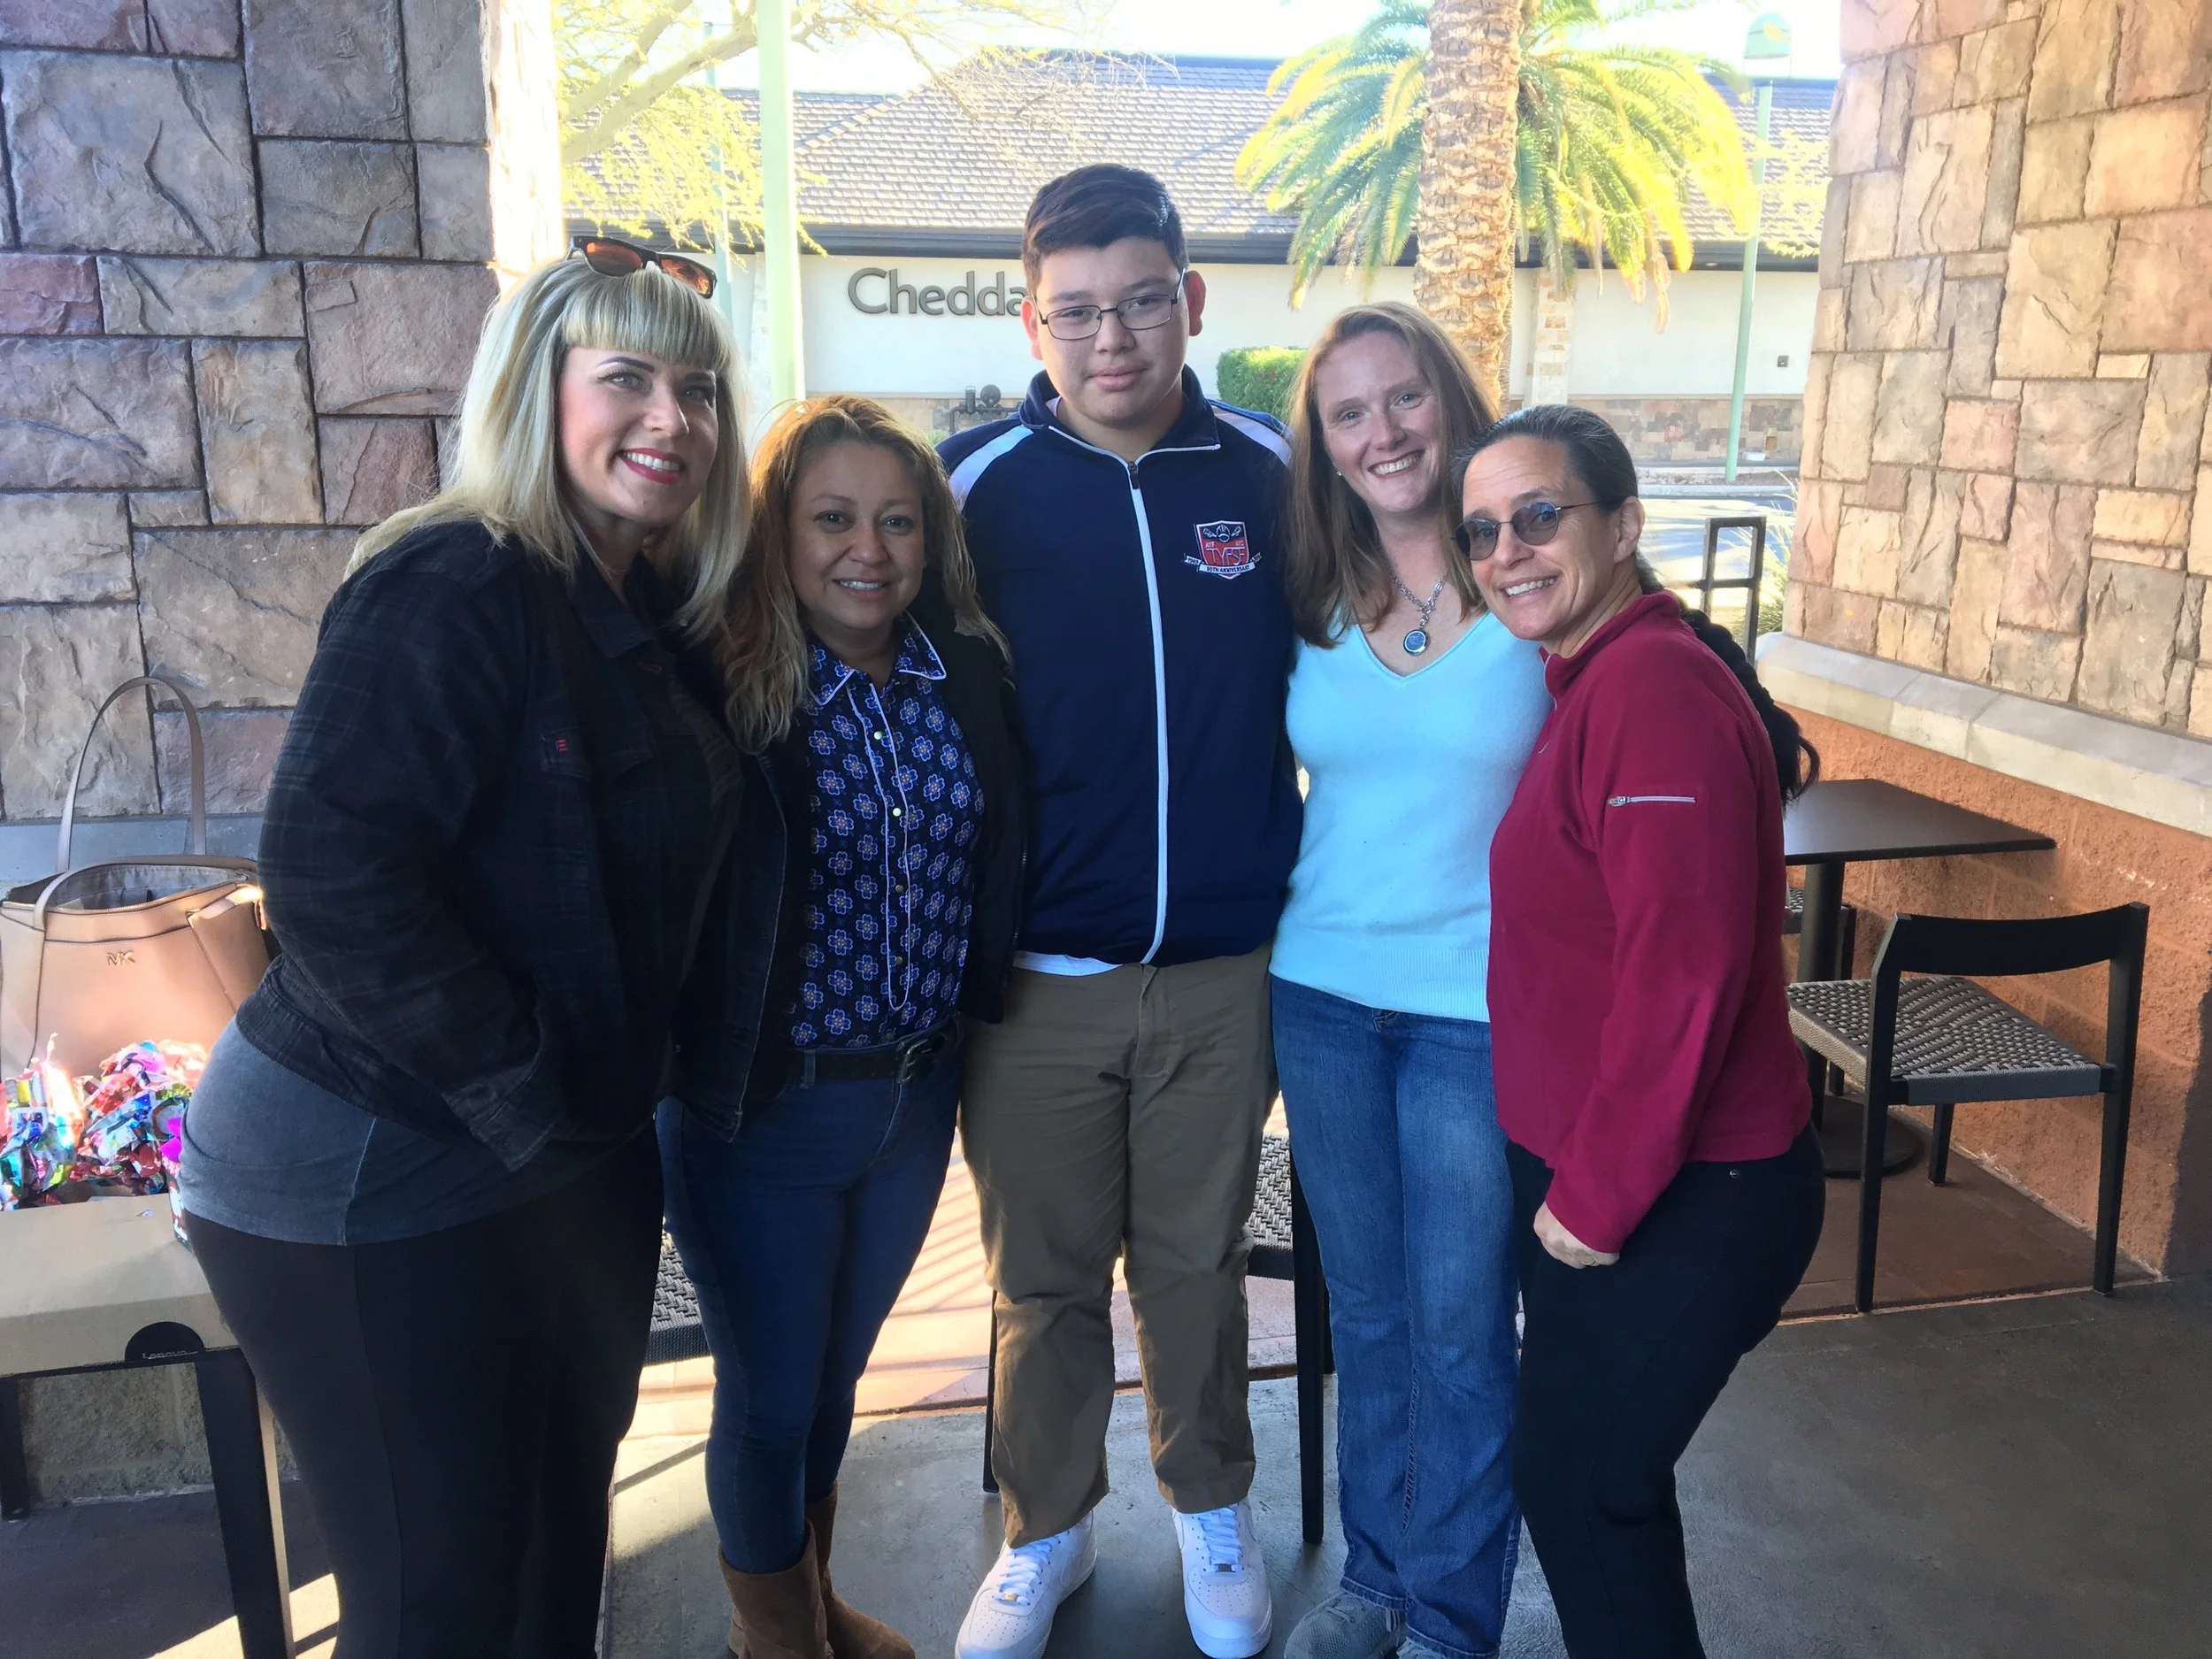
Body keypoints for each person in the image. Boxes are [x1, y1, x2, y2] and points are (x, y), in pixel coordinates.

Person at [176, 242, 775, 1657]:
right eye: (624, 378)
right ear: (536, 391)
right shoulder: (457, 578)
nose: (671, 419)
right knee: (441, 1592)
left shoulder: (645, 600)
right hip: (365, 1153)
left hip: (555, 1146)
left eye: (696, 388)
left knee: (557, 1555)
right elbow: (331, 870)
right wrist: (529, 1095)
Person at [939, 163, 1301, 1659]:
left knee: (1197, 1267)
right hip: (1037, 982)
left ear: (1189, 304)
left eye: (1141, 303)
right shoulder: (971, 487)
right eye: (1077, 312)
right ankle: (1048, 1527)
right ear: (1036, 316)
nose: (1112, 341)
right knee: (1042, 1280)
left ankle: (1211, 1505)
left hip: (1226, 969)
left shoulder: (1276, 473)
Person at [658, 395, 1025, 1659]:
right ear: (779, 530)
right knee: (767, 1400)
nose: (867, 548)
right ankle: (775, 1639)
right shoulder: (714, 675)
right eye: (831, 519)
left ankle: (807, 1604)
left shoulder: (961, 670)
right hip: (762, 1107)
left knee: (831, 1385)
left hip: (914, 1098)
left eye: (895, 520)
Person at [1459, 403, 1825, 1659]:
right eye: (1484, 529)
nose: (1509, 548)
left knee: (1577, 1482)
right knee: (1607, 1481)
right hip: (1616, 1182)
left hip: (1682, 1195)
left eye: (1540, 514)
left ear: (1623, 523)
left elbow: (1689, 973)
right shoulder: (1597, 676)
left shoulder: (1653, 692)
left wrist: (1597, 1198)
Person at [1268, 303, 1551, 1659]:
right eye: (1349, 413)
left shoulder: (1530, 591)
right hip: (1318, 997)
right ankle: (1376, 1583)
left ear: (1451, 400)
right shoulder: (1311, 597)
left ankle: (1449, 1613)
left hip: (1474, 1017)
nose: (1382, 432)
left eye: (1404, 399)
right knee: (1369, 1318)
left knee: (1459, 1332)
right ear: (1323, 445)